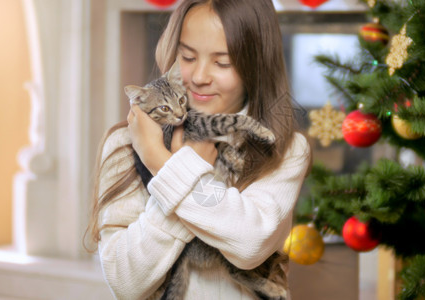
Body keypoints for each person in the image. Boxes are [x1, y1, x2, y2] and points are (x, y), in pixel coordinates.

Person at [86, 0, 311, 299]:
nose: (199, 77)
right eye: (188, 56)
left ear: (256, 65)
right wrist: (162, 159)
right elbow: (125, 282)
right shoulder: (125, 143)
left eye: (222, 63)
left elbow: (249, 244)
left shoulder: (285, 147)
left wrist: (163, 163)